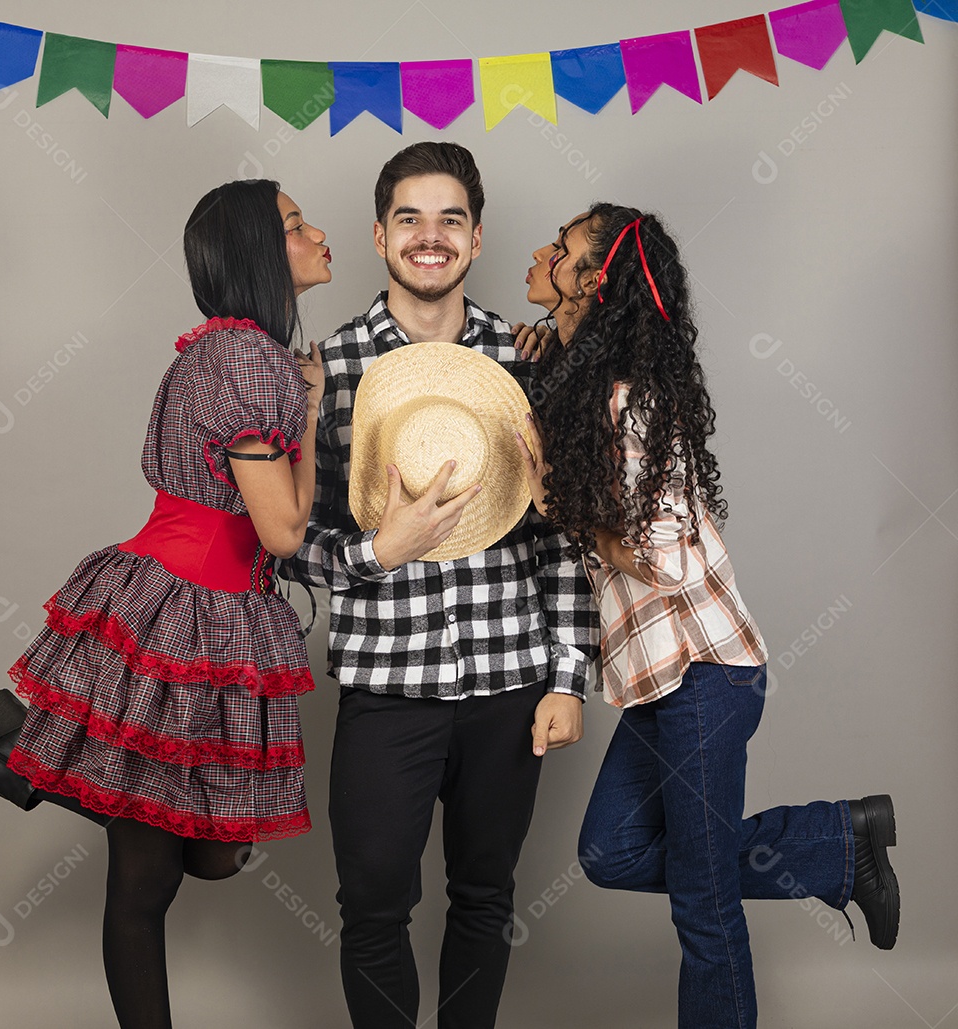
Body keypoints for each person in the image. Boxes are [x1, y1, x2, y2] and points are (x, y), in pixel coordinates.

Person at [0, 179, 331, 1029]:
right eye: (293, 224)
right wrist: (305, 417)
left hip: (209, 608)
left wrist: (311, 410)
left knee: (211, 856)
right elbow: (284, 529)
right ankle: (15, 754)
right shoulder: (245, 357)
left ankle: (20, 754)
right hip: (186, 608)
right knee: (149, 877)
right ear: (255, 251)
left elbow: (277, 512)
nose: (319, 233)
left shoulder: (236, 352)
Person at [516, 202, 900, 1028]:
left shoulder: (635, 401)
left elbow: (669, 559)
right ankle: (838, 843)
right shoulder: (591, 393)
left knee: (703, 906)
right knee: (608, 850)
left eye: (564, 248)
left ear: (597, 282)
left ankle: (841, 843)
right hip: (663, 684)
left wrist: (563, 511)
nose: (542, 252)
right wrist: (546, 359)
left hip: (702, 673)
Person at [283, 141, 600, 1029]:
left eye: (450, 219)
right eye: (410, 219)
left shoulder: (530, 357)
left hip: (510, 684)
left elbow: (565, 535)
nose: (431, 237)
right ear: (380, 235)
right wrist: (379, 549)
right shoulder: (329, 370)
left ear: (477, 236)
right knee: (373, 908)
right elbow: (283, 537)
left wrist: (570, 677)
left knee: (485, 901)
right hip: (386, 688)